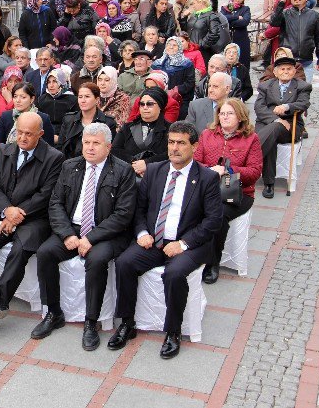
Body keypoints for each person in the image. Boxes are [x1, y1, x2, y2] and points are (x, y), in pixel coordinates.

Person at [111, 121, 222, 359]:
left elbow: (213, 221)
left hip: (188, 245)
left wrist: (182, 244)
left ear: (194, 146)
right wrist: (142, 234)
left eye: (181, 143)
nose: (174, 148)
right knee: (124, 263)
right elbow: (138, 209)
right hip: (154, 240)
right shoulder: (155, 171)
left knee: (174, 274)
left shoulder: (207, 178)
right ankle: (127, 323)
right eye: (171, 142)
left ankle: (173, 331)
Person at [32, 122, 137, 349]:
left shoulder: (122, 170)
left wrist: (91, 238)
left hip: (105, 233)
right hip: (73, 229)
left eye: (96, 143)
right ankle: (53, 313)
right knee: (45, 253)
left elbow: (123, 215)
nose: (89, 148)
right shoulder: (70, 166)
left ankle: (91, 322)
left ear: (108, 147)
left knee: (97, 260)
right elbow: (56, 203)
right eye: (86, 143)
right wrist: (68, 234)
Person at [0, 113, 65, 326]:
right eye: (19, 132)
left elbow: (46, 194)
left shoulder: (54, 158)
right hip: (2, 213)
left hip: (34, 218)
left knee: (20, 249)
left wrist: (16, 214)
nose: (22, 137)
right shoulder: (3, 150)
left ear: (40, 134)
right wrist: (6, 210)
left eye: (28, 134)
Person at [195, 98, 262, 284]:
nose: (225, 117)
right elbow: (196, 161)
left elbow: (255, 172)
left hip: (237, 193)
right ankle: (191, 255)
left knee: (218, 215)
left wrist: (229, 170)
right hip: (208, 188)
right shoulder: (207, 134)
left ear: (240, 116)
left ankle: (212, 262)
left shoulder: (251, 138)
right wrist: (209, 169)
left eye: (230, 113)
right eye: (222, 113)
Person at [255, 57, 311, 199]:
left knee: (274, 129)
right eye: (282, 69)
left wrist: (287, 107)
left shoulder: (302, 86)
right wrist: (277, 120)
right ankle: (269, 183)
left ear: (294, 71)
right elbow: (259, 107)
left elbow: (303, 104)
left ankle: (249, 155)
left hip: (290, 126)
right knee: (272, 136)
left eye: (289, 69)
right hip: (267, 122)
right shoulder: (265, 86)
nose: (285, 72)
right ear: (275, 72)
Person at [270, 0, 319, 84]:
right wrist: (282, 2)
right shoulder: (285, 13)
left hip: (306, 62)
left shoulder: (314, 15)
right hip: (287, 62)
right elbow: (274, 22)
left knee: (304, 93)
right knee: (287, 94)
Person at [112, 87, 170, 177]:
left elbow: (171, 154)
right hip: (127, 175)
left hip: (158, 176)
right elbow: (115, 150)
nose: (145, 107)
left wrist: (147, 163)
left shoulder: (170, 129)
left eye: (149, 104)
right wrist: (134, 163)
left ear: (160, 106)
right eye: (142, 104)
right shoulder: (128, 127)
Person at [58, 82, 117, 159]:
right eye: (80, 97)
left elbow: (110, 151)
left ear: (97, 99)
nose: (83, 100)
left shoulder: (108, 122)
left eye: (87, 96)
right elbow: (60, 146)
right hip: (69, 164)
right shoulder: (69, 119)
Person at [152, 36, 195, 108]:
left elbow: (190, 83)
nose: (171, 47)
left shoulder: (187, 63)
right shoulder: (157, 63)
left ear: (180, 48)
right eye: (169, 44)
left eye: (174, 45)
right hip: (160, 98)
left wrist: (175, 90)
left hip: (180, 100)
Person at [37, 66, 78, 143]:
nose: (51, 85)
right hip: (44, 138)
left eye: (55, 81)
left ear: (62, 82)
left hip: (66, 138)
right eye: (49, 82)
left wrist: (60, 138)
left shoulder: (73, 100)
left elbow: (74, 124)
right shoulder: (41, 100)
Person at [186, 0, 222, 66]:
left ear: (201, 3)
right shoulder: (195, 15)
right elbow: (187, 29)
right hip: (190, 49)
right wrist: (183, 19)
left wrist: (201, 44)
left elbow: (214, 34)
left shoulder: (211, 16)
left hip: (203, 52)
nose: (193, 6)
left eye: (194, 3)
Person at [220, 0, 251, 72]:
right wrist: (236, 17)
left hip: (241, 39)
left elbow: (245, 22)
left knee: (243, 63)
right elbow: (222, 19)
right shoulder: (225, 8)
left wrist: (230, 22)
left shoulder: (245, 9)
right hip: (228, 39)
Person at [0, 66, 24, 138]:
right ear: (5, 81)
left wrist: (9, 100)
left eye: (16, 81)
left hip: (19, 132)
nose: (13, 84)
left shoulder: (24, 95)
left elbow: (20, 115)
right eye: (10, 81)